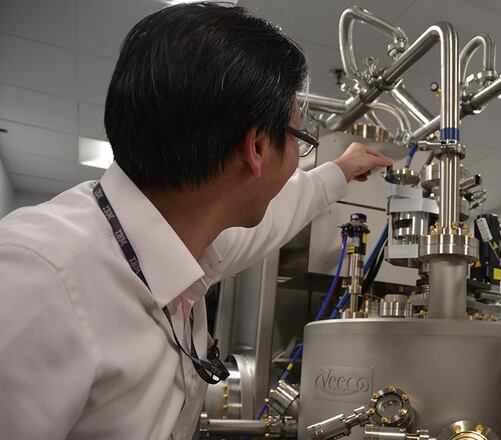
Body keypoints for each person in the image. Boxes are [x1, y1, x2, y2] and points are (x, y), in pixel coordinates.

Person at [0, 3, 392, 439]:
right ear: (257, 147)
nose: (297, 158)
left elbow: (283, 210)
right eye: (299, 139)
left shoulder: (194, 241)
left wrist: (341, 170)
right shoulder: (37, 280)